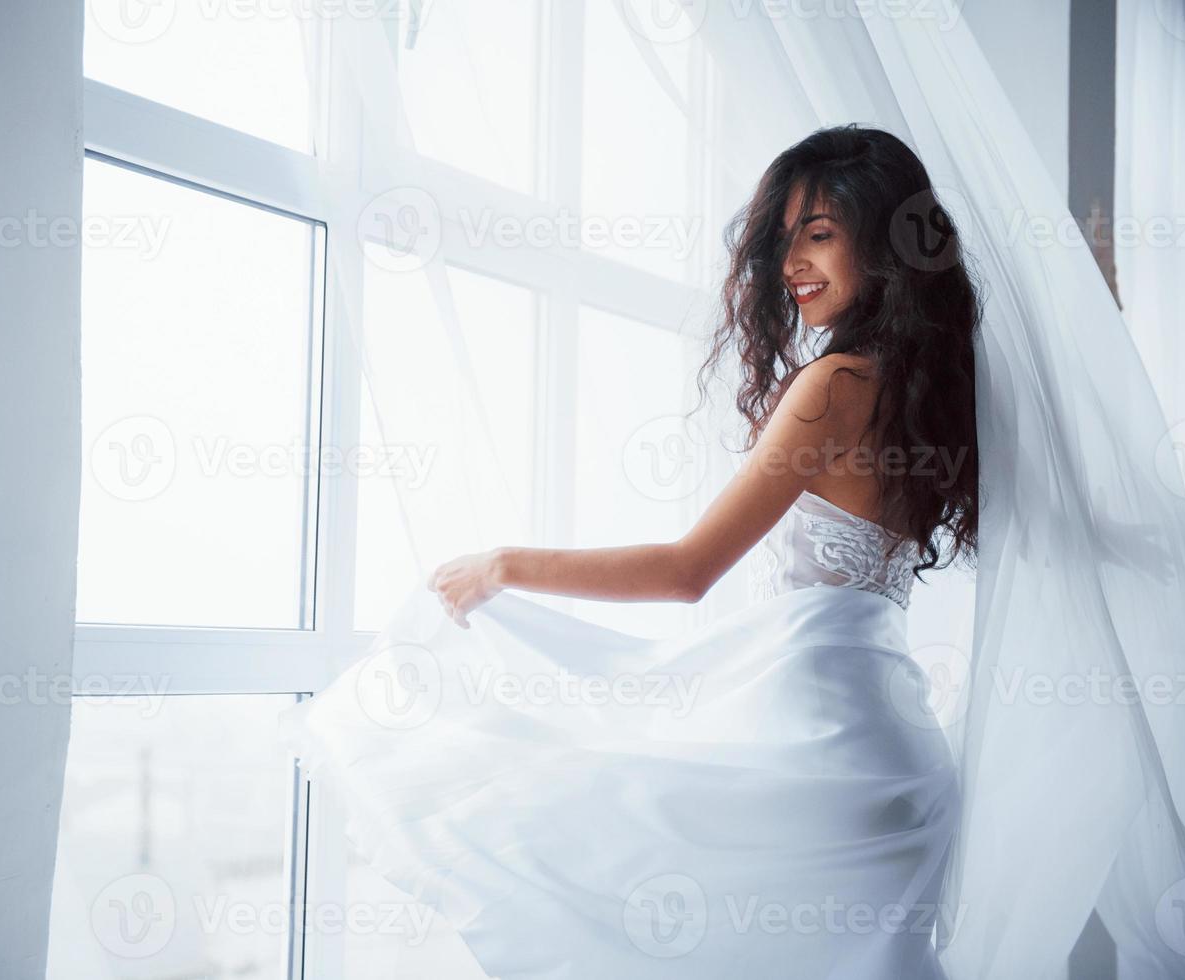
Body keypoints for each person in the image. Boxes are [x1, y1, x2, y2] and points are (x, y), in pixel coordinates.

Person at [282, 126, 975, 979]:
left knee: (542, 816)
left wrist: (504, 563)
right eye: (782, 236)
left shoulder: (835, 386)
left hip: (817, 768)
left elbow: (686, 572)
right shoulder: (930, 391)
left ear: (888, 241)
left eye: (820, 233)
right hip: (886, 761)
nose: (790, 260)